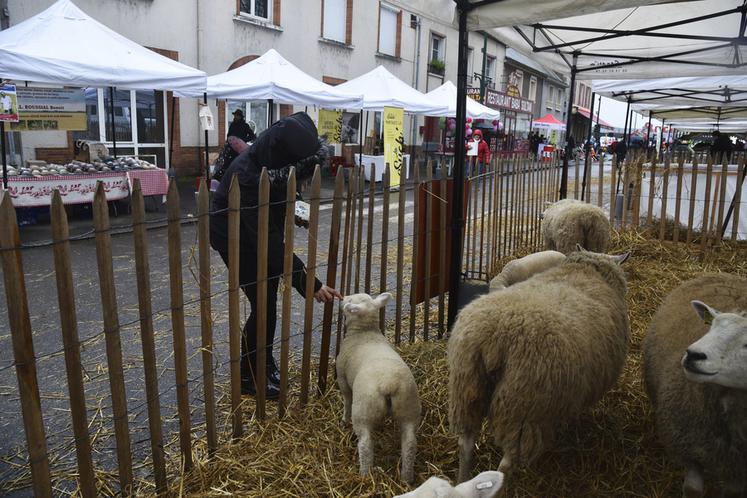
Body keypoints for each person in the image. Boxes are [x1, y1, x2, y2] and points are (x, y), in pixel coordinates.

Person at [210, 112, 342, 399]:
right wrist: (310, 284)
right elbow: (268, 244)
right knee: (264, 302)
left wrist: (295, 207)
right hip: (235, 239)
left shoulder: (272, 167)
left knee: (268, 298)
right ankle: (249, 376)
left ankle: (263, 362)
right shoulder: (249, 178)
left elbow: (283, 194)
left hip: (256, 233)